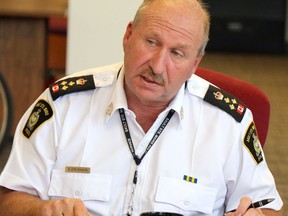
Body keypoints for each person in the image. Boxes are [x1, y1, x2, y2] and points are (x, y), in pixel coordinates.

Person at [0, 0, 284, 215]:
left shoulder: (227, 123)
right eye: (151, 42)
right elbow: (9, 197)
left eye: (177, 53)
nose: (157, 66)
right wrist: (43, 210)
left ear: (195, 63)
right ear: (128, 36)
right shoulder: (63, 104)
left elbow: (266, 206)